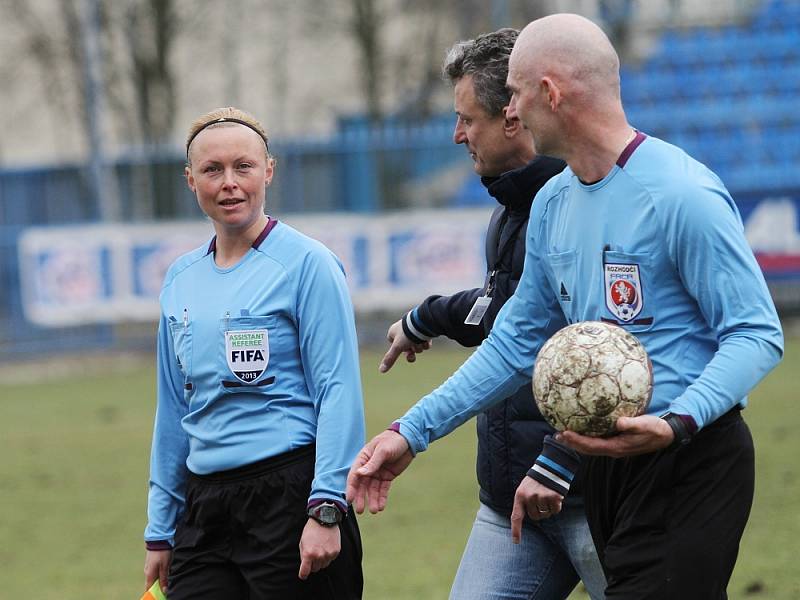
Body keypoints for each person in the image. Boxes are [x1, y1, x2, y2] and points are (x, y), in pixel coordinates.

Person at [347, 14, 784, 600]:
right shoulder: (554, 202)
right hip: (605, 467)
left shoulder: (681, 194)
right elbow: (512, 345)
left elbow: (756, 334)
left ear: (549, 93)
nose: (513, 110)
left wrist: (675, 421)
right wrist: (411, 431)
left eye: (519, 93)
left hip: (690, 458)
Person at [378, 28, 605, 600]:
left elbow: (507, 322)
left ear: (514, 114)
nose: (457, 136)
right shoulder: (507, 212)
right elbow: (507, 328)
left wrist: (428, 316)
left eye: (466, 119)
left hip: (592, 491)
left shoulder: (587, 203)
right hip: (508, 500)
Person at [143, 107, 365, 599]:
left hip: (288, 496)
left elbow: (338, 390)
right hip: (204, 510)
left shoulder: (308, 265)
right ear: (190, 180)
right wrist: (161, 527)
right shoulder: (179, 279)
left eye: (243, 166)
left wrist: (326, 507)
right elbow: (173, 411)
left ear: (269, 169)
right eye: (212, 170)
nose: (229, 183)